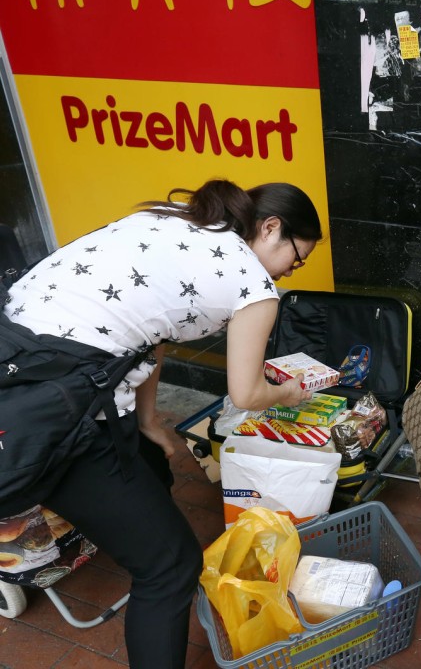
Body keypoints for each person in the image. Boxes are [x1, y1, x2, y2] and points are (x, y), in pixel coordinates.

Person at [1, 179, 321, 669]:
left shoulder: (173, 218)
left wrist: (148, 420)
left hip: (18, 359)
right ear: (271, 228)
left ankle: (141, 527)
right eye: (296, 258)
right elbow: (247, 392)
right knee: (171, 568)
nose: (290, 272)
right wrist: (295, 390)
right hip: (56, 407)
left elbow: (152, 328)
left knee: (152, 465)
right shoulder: (253, 285)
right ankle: (154, 572)